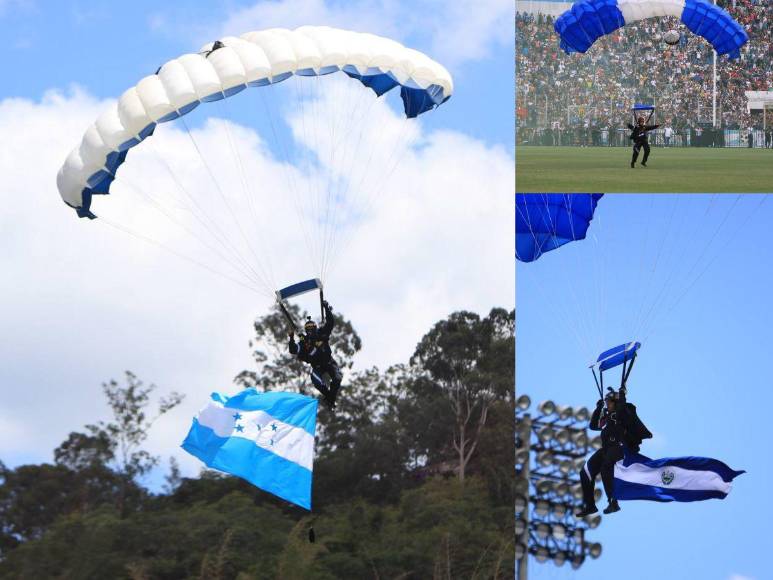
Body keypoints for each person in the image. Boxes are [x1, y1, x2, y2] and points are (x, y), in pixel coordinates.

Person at [575, 387, 652, 517]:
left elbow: (624, 413)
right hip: (607, 449)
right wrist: (598, 408)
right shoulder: (607, 417)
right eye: (606, 402)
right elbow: (594, 426)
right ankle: (590, 505)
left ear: (616, 403)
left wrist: (622, 397)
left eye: (609, 402)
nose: (607, 405)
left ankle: (613, 501)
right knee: (585, 472)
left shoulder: (623, 414)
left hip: (621, 447)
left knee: (606, 467)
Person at [288, 300, 342, 409]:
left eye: (312, 328)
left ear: (316, 328)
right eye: (308, 329)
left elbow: (330, 322)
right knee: (317, 382)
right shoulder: (303, 342)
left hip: (329, 362)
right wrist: (291, 338)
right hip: (317, 367)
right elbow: (293, 350)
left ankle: (330, 400)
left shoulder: (322, 333)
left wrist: (326, 308)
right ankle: (330, 399)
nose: (310, 330)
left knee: (337, 379)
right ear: (305, 330)